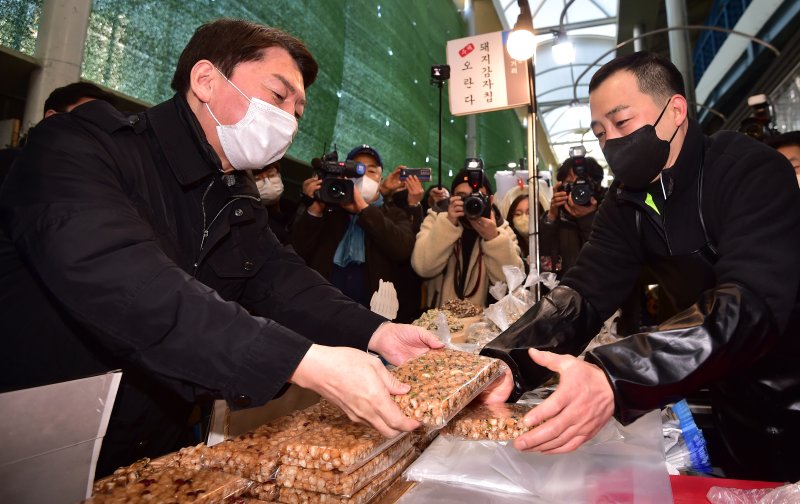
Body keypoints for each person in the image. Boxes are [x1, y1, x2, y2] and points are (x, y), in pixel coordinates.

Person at [0, 19, 441, 477]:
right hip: (41, 439)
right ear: (205, 80)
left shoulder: (234, 195)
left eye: (298, 110)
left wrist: (377, 333)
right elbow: (127, 282)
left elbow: (281, 282)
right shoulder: (81, 148)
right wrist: (301, 362)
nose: (289, 119)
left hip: (153, 445)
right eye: (278, 95)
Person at [482, 51, 800, 482]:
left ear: (675, 111)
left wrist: (613, 375)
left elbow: (748, 304)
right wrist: (504, 365)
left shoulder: (749, 170)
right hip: (729, 393)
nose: (611, 141)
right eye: (600, 132)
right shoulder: (625, 202)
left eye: (622, 122)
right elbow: (584, 291)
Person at [290, 144, 417, 315]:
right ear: (345, 175)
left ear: (380, 179)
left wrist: (364, 209)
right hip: (321, 308)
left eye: (371, 171)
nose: (363, 175)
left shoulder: (395, 214)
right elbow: (297, 251)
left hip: (373, 313)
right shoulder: (331, 210)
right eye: (357, 170)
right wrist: (315, 207)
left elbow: (401, 249)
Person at [411, 160, 523, 308]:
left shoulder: (501, 228)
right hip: (440, 320)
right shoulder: (437, 218)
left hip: (484, 325)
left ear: (490, 200)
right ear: (452, 198)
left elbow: (513, 282)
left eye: (478, 196)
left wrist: (493, 238)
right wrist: (448, 223)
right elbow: (423, 267)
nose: (472, 202)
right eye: (462, 196)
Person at [540, 155, 605, 278]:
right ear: (560, 187)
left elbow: (606, 261)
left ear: (597, 186)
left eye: (584, 183)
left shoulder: (611, 214)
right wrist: (552, 216)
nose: (578, 190)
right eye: (570, 184)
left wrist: (588, 219)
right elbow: (546, 266)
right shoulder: (558, 220)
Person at [252, 161, 295, 244]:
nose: (268, 184)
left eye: (272, 175)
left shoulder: (289, 207)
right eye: (257, 179)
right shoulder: (262, 227)